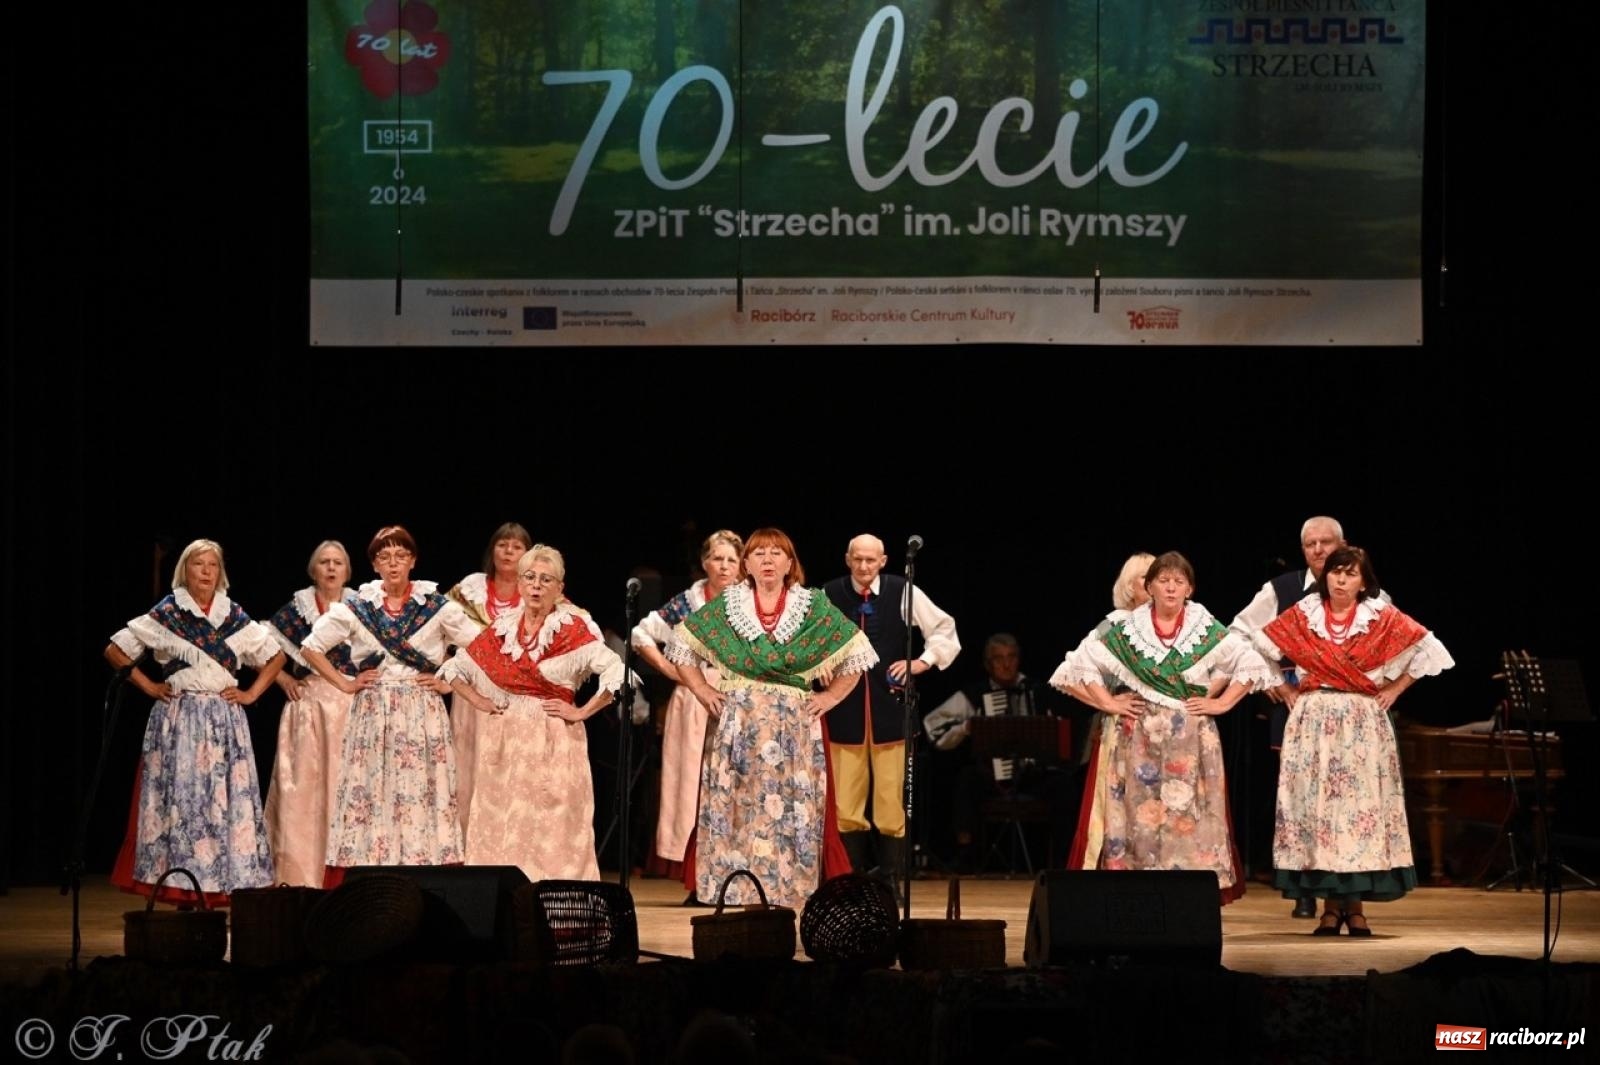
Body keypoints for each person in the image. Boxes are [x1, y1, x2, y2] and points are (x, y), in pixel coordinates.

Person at [667, 528, 877, 907]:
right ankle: (731, 888)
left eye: (776, 553)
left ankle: (788, 887)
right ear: (746, 564)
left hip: (793, 729)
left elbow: (857, 654)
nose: (767, 560)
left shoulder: (810, 606)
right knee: (737, 806)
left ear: (789, 563)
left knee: (790, 810)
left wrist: (829, 697)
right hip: (738, 723)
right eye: (758, 553)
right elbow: (681, 647)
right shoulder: (729, 605)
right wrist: (703, 691)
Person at [1053, 551, 1275, 903]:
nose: (1171, 588)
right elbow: (1076, 667)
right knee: (1140, 817)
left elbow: (1249, 662)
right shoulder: (1127, 628)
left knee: (1190, 814)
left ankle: (1188, 898)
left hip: (1191, 739)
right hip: (1139, 737)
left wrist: (1221, 702)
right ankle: (1136, 897)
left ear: (1190, 588)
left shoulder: (1203, 626)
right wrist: (1109, 703)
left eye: (1179, 581)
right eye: (1163, 580)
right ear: (1150, 587)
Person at [1254, 545, 1453, 936]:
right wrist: (1283, 688)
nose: (1342, 580)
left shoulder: (1378, 617)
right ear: (1325, 576)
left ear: (1364, 582)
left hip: (1361, 721)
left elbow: (1430, 650)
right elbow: (1253, 648)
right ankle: (1330, 908)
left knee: (1358, 816)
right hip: (1314, 720)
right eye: (1336, 572)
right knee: (1321, 816)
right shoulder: (1304, 615)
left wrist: (1395, 688)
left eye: (1351, 574)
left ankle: (1357, 908)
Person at [105, 539, 285, 904]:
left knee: (225, 804)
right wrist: (149, 686)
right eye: (198, 564)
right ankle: (178, 886)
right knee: (181, 804)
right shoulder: (169, 612)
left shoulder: (232, 616)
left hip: (224, 720)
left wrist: (251, 695)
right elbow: (115, 650)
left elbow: (275, 656)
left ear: (220, 573)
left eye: (212, 565)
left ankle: (223, 884)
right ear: (184, 570)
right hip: (180, 719)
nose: (205, 571)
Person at [301, 525, 480, 876]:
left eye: (401, 555)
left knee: (421, 793)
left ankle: (427, 874)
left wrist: (446, 682)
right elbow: (311, 647)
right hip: (373, 710)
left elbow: (478, 649)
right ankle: (368, 874)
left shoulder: (435, 606)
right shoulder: (356, 607)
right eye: (385, 557)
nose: (393, 563)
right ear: (375, 565)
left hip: (420, 710)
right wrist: (346, 684)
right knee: (372, 792)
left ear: (413, 560)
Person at [442, 545, 625, 881]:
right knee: (501, 823)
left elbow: (617, 670)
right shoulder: (503, 628)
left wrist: (582, 710)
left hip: (553, 739)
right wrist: (481, 703)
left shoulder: (572, 627)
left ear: (559, 587)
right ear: (520, 583)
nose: (536, 586)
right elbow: (455, 669)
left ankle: (556, 908)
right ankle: (500, 908)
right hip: (505, 742)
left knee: (553, 825)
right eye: (529, 578)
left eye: (546, 579)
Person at [1230, 515, 1380, 918]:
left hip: (1350, 710)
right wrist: (1274, 683)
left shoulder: (1364, 591)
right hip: (1299, 705)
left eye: (1326, 542)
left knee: (1348, 801)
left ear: (1343, 544)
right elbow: (1238, 634)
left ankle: (1348, 890)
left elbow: (1395, 639)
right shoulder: (1282, 590)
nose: (1318, 550)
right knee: (1301, 799)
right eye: (1310, 544)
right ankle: (1304, 889)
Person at [821, 533, 960, 880]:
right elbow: (809, 638)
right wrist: (819, 663)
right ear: (847, 559)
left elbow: (944, 629)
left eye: (871, 560)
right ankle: (849, 879)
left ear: (883, 561)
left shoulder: (903, 590)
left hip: (891, 707)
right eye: (858, 559)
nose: (864, 566)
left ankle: (890, 880)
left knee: (889, 802)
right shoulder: (830, 593)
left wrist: (922, 662)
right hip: (843, 709)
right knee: (845, 804)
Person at [630, 530, 744, 902]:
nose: (724, 566)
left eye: (731, 559)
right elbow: (642, 634)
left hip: (737, 695)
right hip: (692, 698)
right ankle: (698, 875)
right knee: (691, 783)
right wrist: (671, 670)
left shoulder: (749, 599)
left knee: (736, 782)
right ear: (705, 563)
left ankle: (738, 870)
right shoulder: (688, 602)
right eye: (717, 559)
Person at [262, 540, 374, 887]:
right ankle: (300, 876)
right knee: (304, 792)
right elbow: (261, 645)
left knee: (348, 789)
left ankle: (351, 876)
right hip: (310, 706)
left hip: (352, 705)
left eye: (337, 562)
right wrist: (281, 678)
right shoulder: (299, 608)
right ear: (314, 570)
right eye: (324, 562)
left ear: (347, 570)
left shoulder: (363, 605)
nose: (330, 568)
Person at [923, 633, 1080, 872]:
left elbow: (1065, 732)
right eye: (998, 659)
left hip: (1032, 775)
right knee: (967, 780)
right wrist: (967, 727)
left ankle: (1063, 864)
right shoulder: (974, 695)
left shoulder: (1038, 690)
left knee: (1064, 786)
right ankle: (966, 858)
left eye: (1011, 657)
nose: (1006, 664)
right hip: (991, 778)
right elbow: (932, 725)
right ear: (988, 664)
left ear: (1019, 659)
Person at [447, 522, 535, 837]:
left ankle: (508, 842)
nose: (508, 551)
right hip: (472, 696)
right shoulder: (469, 590)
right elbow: (437, 631)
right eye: (503, 544)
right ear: (492, 550)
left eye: (516, 546)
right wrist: (443, 674)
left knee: (510, 768)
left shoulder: (536, 593)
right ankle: (468, 845)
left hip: (515, 698)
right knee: (470, 767)